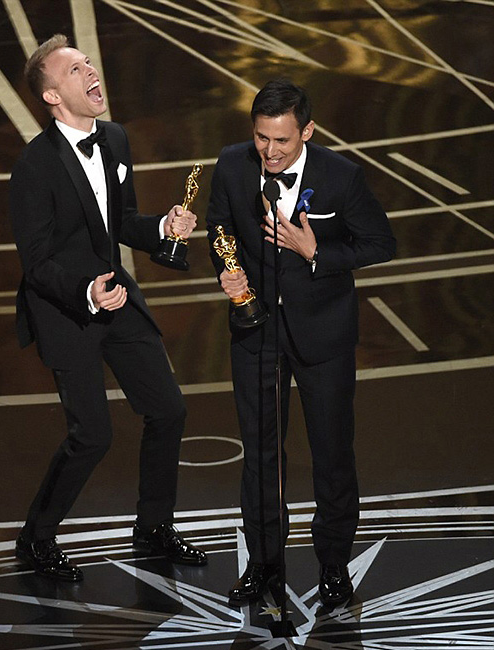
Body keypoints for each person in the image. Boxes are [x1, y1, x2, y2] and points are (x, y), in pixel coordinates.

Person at [8, 34, 207, 582]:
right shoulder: (33, 167)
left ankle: (154, 527)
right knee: (92, 435)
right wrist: (86, 291)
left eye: (89, 63)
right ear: (52, 96)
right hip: (67, 310)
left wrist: (164, 227)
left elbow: (120, 223)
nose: (91, 72)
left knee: (168, 410)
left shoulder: (114, 140)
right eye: (75, 70)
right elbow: (38, 262)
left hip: (118, 299)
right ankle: (36, 537)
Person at [205, 79, 395, 608]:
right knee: (261, 455)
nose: (269, 150)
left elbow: (381, 242)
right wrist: (230, 272)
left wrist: (317, 252)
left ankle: (334, 565)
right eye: (261, 138)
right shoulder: (231, 164)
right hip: (255, 332)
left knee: (332, 454)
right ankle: (263, 562)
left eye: (281, 141)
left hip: (324, 337)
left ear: (307, 131)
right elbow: (218, 227)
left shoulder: (342, 177)